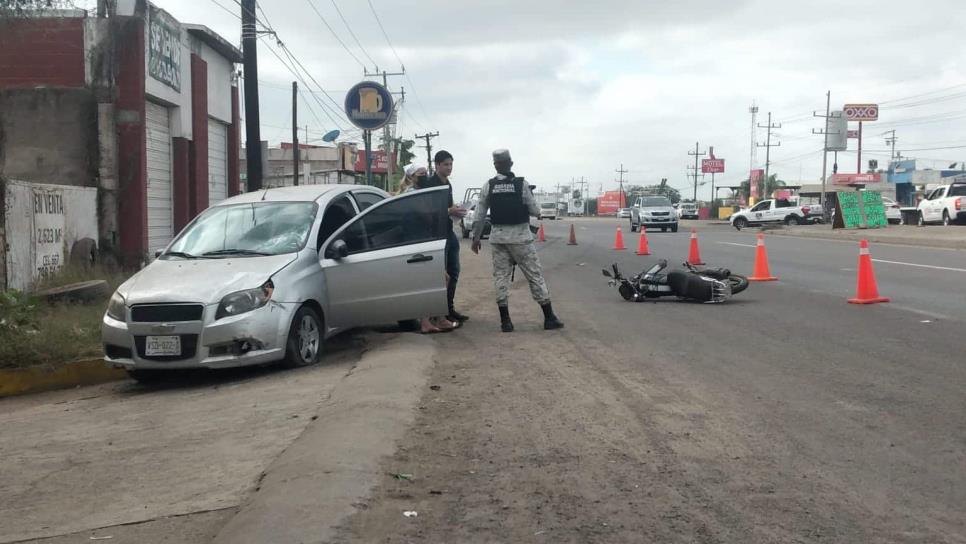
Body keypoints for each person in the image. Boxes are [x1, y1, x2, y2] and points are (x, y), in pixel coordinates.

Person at [471, 149, 564, 332]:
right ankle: (549, 317)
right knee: (534, 275)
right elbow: (535, 211)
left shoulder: (488, 186)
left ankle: (505, 321)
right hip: (521, 239)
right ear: (510, 163)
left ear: (495, 165)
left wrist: (475, 238)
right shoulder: (521, 184)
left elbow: (479, 214)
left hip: (498, 238)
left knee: (500, 277)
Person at [400, 164, 458, 334]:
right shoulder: (412, 194)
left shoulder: (422, 193)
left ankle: (439, 318)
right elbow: (426, 213)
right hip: (417, 242)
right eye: (421, 174)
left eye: (426, 173)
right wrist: (447, 211)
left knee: (442, 278)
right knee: (431, 280)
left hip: (426, 241)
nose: (425, 176)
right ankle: (427, 321)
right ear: (412, 177)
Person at [415, 150, 469, 324]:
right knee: (440, 275)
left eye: (451, 164)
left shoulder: (448, 184)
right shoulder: (431, 184)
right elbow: (427, 211)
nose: (449, 167)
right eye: (445, 164)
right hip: (435, 234)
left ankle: (449, 309)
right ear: (437, 165)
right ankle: (437, 313)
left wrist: (457, 211)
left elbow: (449, 206)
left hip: (448, 231)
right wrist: (449, 211)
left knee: (454, 271)